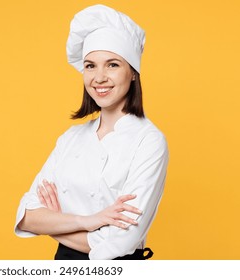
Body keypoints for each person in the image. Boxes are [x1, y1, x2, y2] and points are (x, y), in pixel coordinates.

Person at [14, 4, 169, 260]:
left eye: (112, 65)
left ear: (132, 73)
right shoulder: (71, 138)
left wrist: (57, 225)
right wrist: (90, 221)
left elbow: (120, 243)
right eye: (90, 66)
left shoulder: (149, 141)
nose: (99, 77)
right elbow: (27, 216)